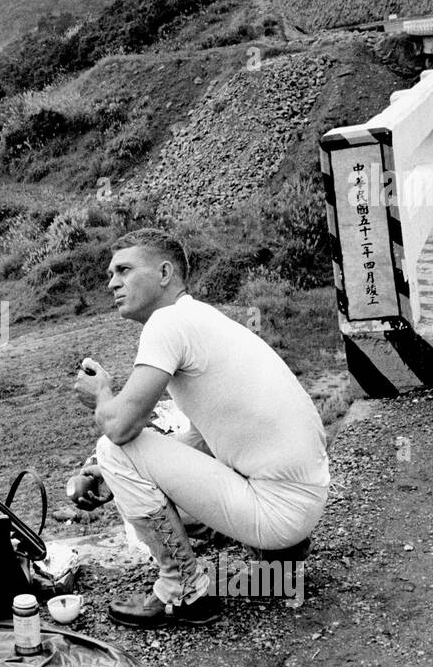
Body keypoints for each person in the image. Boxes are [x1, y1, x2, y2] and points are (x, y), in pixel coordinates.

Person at [70, 228, 329, 628]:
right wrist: (109, 479)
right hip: (303, 504)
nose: (112, 282)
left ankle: (182, 591)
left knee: (113, 449)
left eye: (123, 269)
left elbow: (120, 427)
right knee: (132, 460)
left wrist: (102, 394)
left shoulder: (167, 324)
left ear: (164, 273)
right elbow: (203, 438)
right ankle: (279, 563)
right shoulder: (202, 318)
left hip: (276, 513)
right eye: (110, 273)